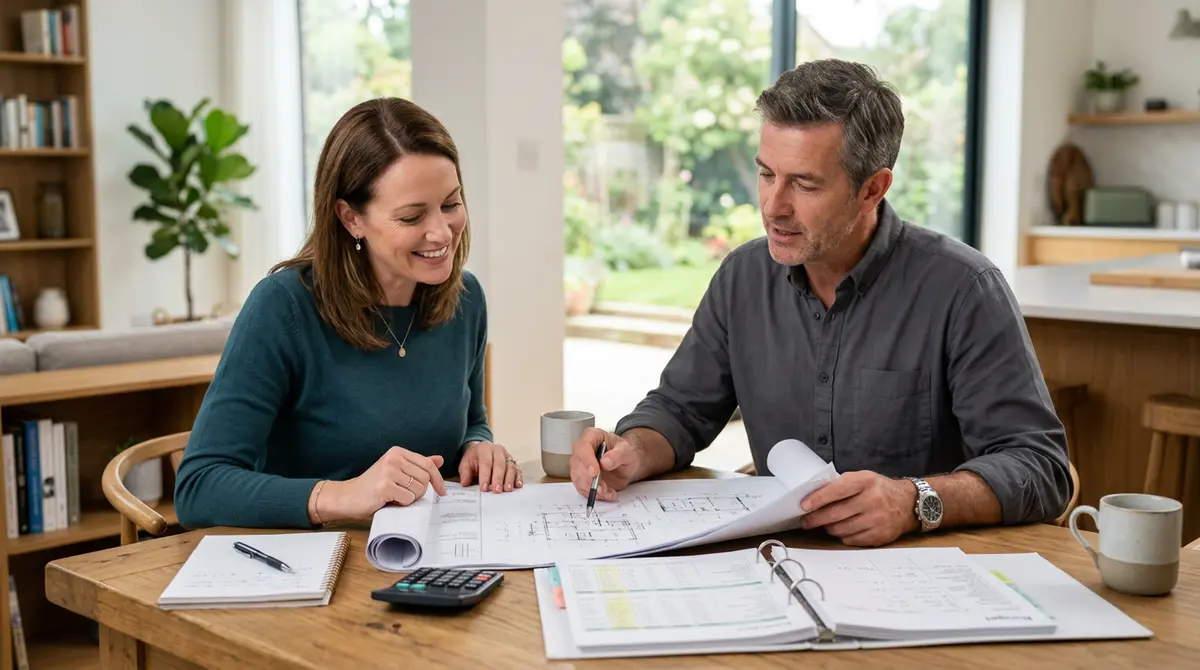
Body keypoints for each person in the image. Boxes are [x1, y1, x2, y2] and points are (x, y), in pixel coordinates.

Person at [568, 59, 1072, 547]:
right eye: (767, 174)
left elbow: (1041, 468)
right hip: (779, 563)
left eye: (804, 184)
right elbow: (679, 410)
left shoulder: (962, 289)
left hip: (925, 575)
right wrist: (631, 451)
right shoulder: (742, 278)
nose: (772, 207)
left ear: (873, 188)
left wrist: (913, 501)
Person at [175, 97, 522, 530]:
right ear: (350, 218)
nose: (441, 232)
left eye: (451, 204)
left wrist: (478, 446)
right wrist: (340, 495)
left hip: (424, 554)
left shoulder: (465, 298)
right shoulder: (283, 306)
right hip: (311, 565)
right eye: (412, 216)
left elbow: (472, 420)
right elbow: (199, 487)